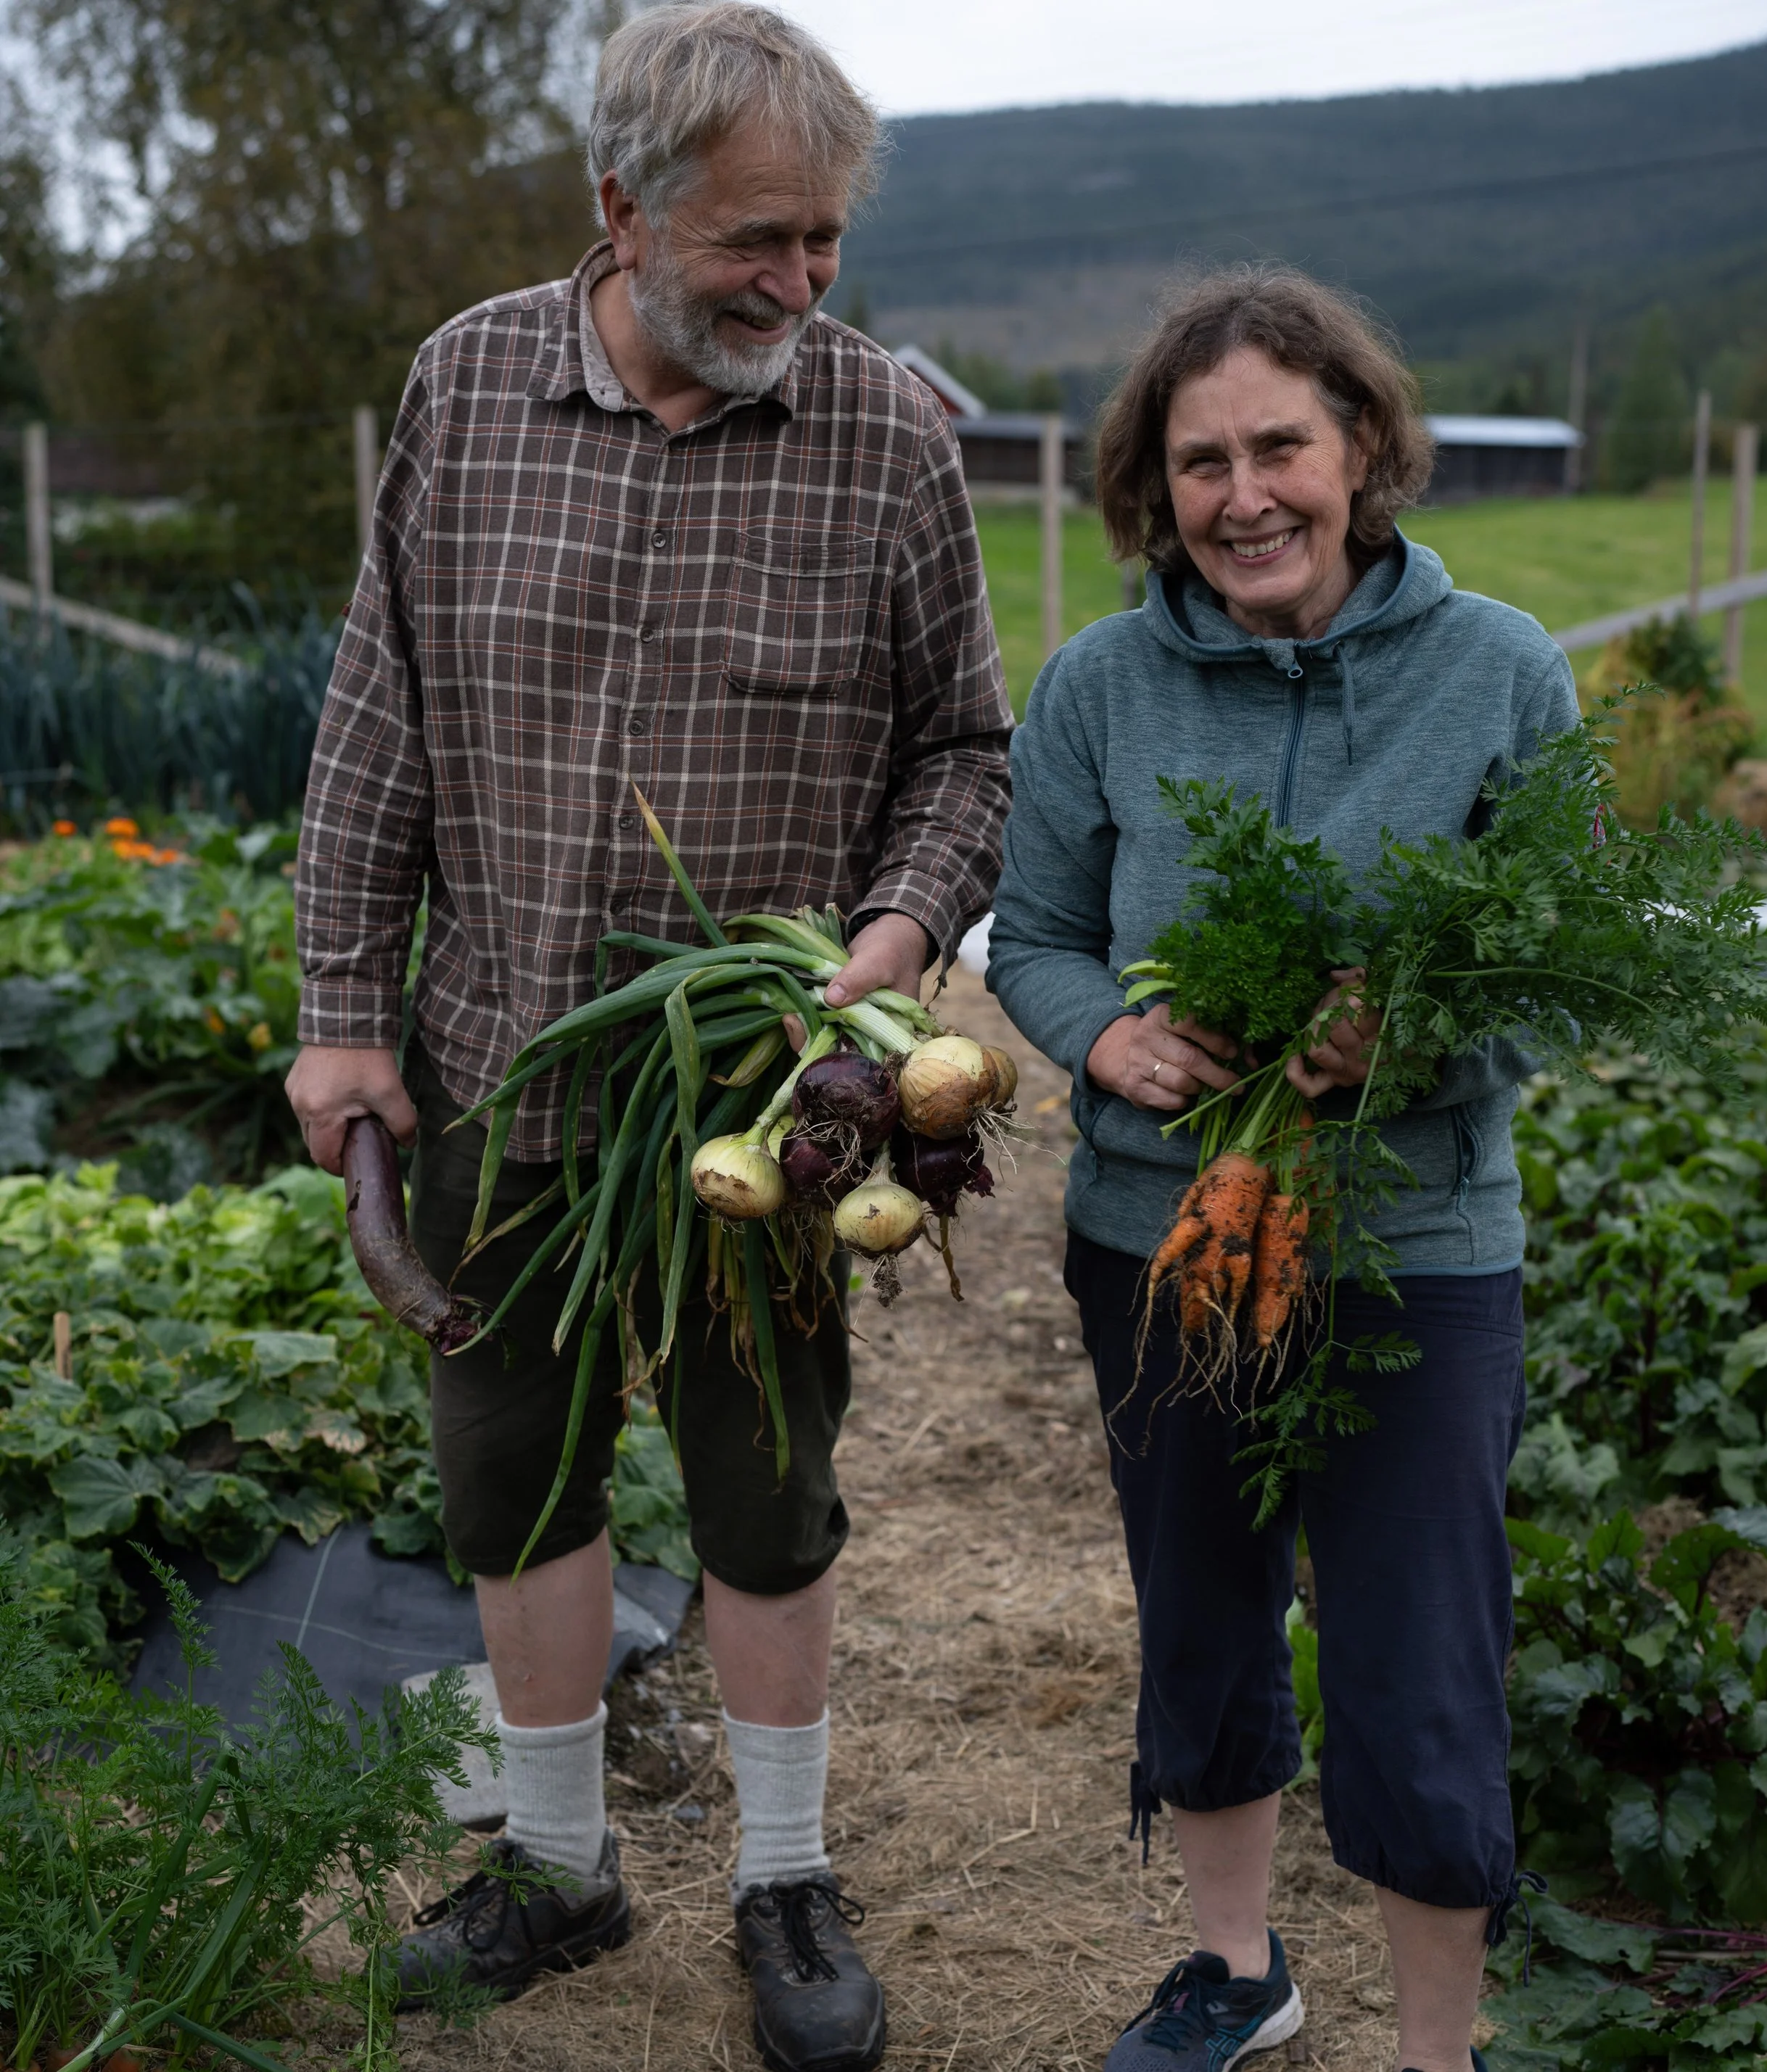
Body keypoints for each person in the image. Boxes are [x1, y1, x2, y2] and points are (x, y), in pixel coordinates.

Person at [286, 9, 1010, 2068]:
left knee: (767, 1490)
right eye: (757, 242)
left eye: (827, 245)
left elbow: (967, 749)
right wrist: (346, 1015)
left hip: (762, 1110)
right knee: (509, 1477)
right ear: (620, 209)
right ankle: (557, 1861)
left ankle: (781, 1879)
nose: (799, 284)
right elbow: (377, 728)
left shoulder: (884, 434)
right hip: (503, 1067)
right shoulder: (465, 385)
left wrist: (886, 947)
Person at [987, 265, 1574, 2072]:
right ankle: (1237, 1973)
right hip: (1164, 1231)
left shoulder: (1496, 672)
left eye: (1278, 448)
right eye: (1196, 461)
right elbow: (1035, 932)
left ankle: (1435, 2048)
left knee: (1414, 1653)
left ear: (1365, 451)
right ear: (1149, 491)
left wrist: (1401, 1042)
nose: (1241, 496)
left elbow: (1553, 957)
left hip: (1414, 1240)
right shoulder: (1098, 686)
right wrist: (1103, 1036)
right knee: (1205, 1614)